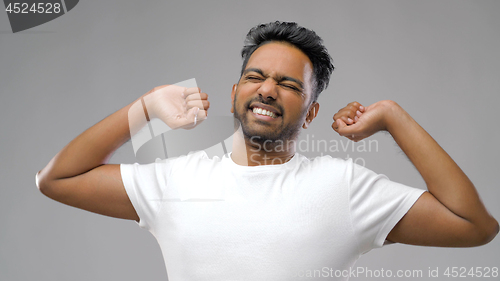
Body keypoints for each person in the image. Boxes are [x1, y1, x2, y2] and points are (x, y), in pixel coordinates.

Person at [37, 21, 498, 280]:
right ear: (236, 90)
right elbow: (57, 179)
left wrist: (394, 117)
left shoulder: (344, 187)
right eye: (256, 77)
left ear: (312, 112)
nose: (268, 90)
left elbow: (474, 225)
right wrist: (143, 108)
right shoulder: (177, 182)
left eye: (290, 84)